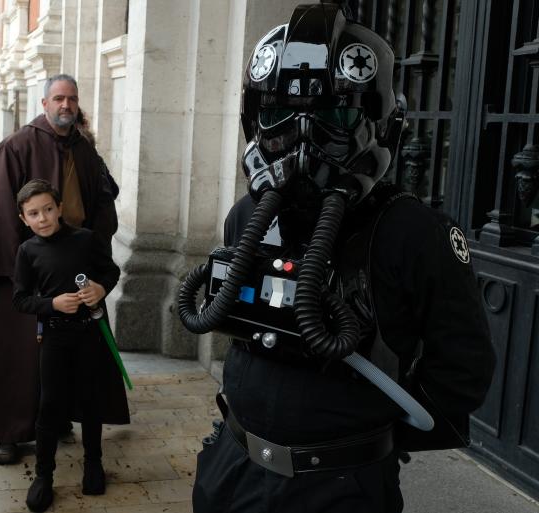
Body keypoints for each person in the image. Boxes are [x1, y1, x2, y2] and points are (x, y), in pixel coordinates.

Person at [184, 4, 496, 512]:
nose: (302, 135)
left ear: (379, 120)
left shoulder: (413, 231)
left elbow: (462, 369)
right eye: (278, 113)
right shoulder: (247, 216)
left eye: (333, 114)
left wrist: (368, 441)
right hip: (234, 469)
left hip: (339, 486)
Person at [0, 74, 118, 465]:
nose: (66, 105)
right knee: (16, 352)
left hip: (73, 264)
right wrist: (16, 272)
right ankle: (9, 432)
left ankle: (55, 417)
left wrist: (94, 253)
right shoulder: (17, 146)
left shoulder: (85, 150)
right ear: (44, 104)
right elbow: (2, 213)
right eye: (58, 99)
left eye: (71, 98)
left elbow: (105, 198)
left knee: (67, 348)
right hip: (25, 267)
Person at [12, 179, 128, 512]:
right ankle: (43, 475)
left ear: (60, 208)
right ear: (24, 218)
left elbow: (110, 271)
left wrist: (100, 290)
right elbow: (20, 299)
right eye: (34, 213)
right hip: (55, 336)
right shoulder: (27, 251)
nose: (43, 218)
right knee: (50, 405)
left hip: (89, 335)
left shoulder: (85, 239)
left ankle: (93, 462)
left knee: (91, 400)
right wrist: (51, 304)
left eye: (48, 209)